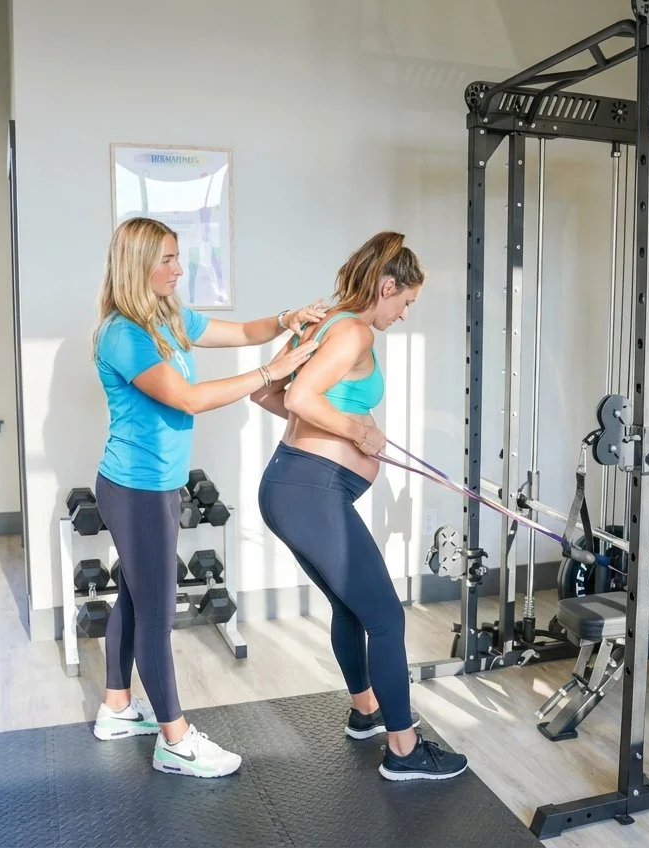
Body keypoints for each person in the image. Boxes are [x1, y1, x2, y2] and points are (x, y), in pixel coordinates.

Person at [89, 216, 324, 778]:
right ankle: (174, 739)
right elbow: (187, 399)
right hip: (136, 488)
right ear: (136, 263)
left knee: (132, 596)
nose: (178, 268)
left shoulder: (168, 317)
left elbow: (242, 332)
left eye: (178, 257)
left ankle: (117, 707)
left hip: (155, 485)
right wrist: (271, 372)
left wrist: (289, 320)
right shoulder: (123, 332)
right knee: (155, 612)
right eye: (166, 259)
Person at [252, 231, 469, 781]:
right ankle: (403, 749)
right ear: (387, 285)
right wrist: (356, 431)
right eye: (405, 302)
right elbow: (299, 399)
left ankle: (366, 712)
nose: (404, 315)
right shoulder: (350, 331)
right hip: (311, 490)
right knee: (388, 617)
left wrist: (350, 435)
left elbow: (267, 392)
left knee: (353, 609)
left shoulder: (322, 324)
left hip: (293, 488)